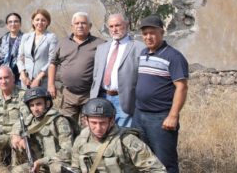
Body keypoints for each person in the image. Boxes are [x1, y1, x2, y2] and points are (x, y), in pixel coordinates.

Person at [133, 15, 189, 173]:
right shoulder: (144, 53)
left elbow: (182, 88)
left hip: (160, 118)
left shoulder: (173, 56)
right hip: (139, 115)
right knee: (142, 159)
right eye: (145, 34)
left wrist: (173, 116)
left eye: (152, 33)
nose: (148, 37)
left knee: (165, 162)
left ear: (161, 32)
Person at [70, 98, 166, 172]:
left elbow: (157, 169)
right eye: (94, 123)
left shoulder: (127, 140)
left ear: (111, 121)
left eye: (103, 123)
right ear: (86, 121)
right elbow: (75, 168)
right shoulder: (81, 140)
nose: (98, 128)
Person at [90, 13, 146, 128]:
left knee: (124, 135)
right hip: (102, 98)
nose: (114, 29)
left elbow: (143, 79)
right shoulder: (102, 48)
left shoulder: (139, 48)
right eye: (111, 26)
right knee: (103, 134)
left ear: (126, 25)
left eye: (117, 25)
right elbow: (96, 76)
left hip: (124, 100)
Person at [48, 12, 105, 122]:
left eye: (83, 23)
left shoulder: (100, 44)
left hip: (89, 95)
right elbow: (52, 63)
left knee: (88, 127)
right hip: (68, 94)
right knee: (67, 125)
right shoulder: (63, 43)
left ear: (90, 26)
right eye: (77, 23)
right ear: (72, 26)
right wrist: (50, 84)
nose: (80, 26)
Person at [10, 87, 73, 173]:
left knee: (56, 169)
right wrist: (18, 137)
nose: (35, 109)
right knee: (17, 171)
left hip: (57, 163)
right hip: (38, 166)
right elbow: (16, 127)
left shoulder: (59, 121)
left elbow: (67, 151)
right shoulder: (29, 121)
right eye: (32, 105)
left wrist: (42, 161)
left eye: (38, 104)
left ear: (47, 103)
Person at [17, 9, 58, 89]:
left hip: (42, 81)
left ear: (47, 22)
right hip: (26, 81)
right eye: (37, 20)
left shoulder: (51, 37)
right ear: (33, 21)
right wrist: (23, 74)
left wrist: (38, 78)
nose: (40, 22)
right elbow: (20, 57)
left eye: (43, 20)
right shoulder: (26, 37)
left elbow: (52, 60)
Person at [0, 12, 23, 85]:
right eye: (10, 22)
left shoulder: (26, 39)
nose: (13, 24)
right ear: (7, 25)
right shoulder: (2, 40)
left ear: (20, 24)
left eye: (16, 21)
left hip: (19, 77)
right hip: (3, 78)